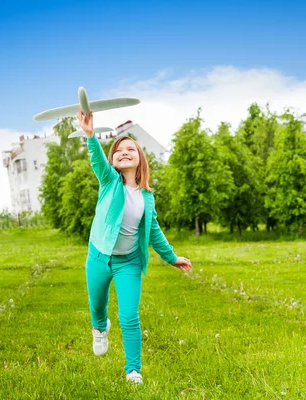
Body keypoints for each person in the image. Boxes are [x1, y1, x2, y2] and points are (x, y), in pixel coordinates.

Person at [78, 110, 192, 384]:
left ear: (141, 158)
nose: (124, 152)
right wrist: (90, 135)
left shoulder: (147, 197)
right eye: (118, 150)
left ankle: (133, 370)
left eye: (131, 149)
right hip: (99, 257)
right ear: (113, 160)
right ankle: (99, 328)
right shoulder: (109, 182)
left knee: (129, 316)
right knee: (97, 307)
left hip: (128, 262)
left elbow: (154, 231)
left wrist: (172, 257)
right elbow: (96, 159)